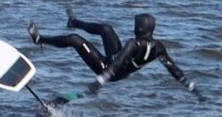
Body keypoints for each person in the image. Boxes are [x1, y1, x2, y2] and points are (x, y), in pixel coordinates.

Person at [27, 8, 204, 100]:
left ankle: (39, 39)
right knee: (106, 28)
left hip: (108, 69)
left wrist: (99, 82)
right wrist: (191, 87)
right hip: (118, 62)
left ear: (140, 28)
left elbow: (118, 63)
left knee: (75, 40)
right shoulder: (158, 47)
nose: (133, 27)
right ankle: (73, 21)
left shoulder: (133, 44)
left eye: (135, 25)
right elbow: (173, 69)